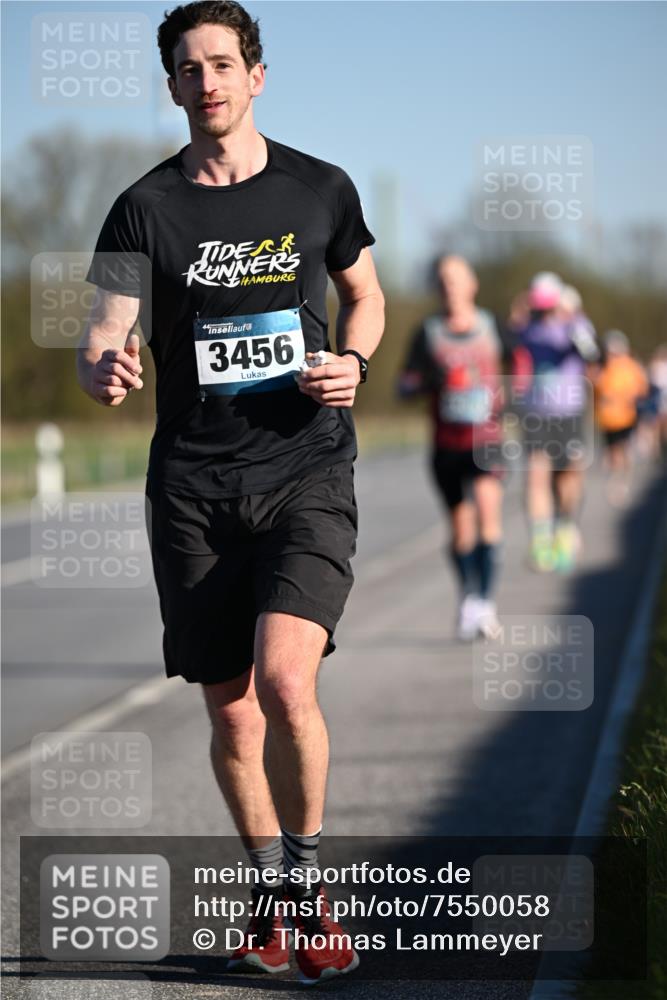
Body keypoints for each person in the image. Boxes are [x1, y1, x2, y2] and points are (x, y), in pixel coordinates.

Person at [77, 0, 384, 985]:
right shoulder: (140, 208)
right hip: (193, 487)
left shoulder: (320, 187)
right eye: (187, 67)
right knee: (234, 713)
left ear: (255, 76)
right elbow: (101, 330)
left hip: (304, 468)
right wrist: (103, 365)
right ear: (171, 86)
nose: (205, 81)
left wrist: (354, 362)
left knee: (286, 682)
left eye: (221, 63)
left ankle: (308, 887)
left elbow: (364, 295)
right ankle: (266, 891)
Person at [398, 255, 516, 640]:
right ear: (437, 288)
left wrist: (510, 394)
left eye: (457, 278)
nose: (450, 286)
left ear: (472, 284)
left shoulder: (492, 326)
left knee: (488, 515)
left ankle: (485, 602)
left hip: (487, 441)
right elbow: (405, 384)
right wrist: (426, 382)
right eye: (443, 280)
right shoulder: (428, 332)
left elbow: (521, 363)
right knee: (461, 529)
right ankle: (469, 596)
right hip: (447, 445)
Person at [513, 273, 599, 573]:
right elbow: (508, 340)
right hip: (537, 413)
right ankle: (540, 541)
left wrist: (571, 322)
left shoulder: (576, 325)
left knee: (567, 477)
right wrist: (519, 312)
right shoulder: (528, 328)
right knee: (536, 475)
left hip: (569, 412)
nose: (544, 311)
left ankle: (565, 528)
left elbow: (592, 353)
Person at [593, 329, 649, 505]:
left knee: (621, 451)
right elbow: (596, 387)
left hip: (625, 417)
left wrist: (624, 398)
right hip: (607, 418)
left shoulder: (630, 367)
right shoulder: (603, 367)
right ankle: (617, 480)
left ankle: (620, 483)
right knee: (614, 452)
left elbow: (640, 390)